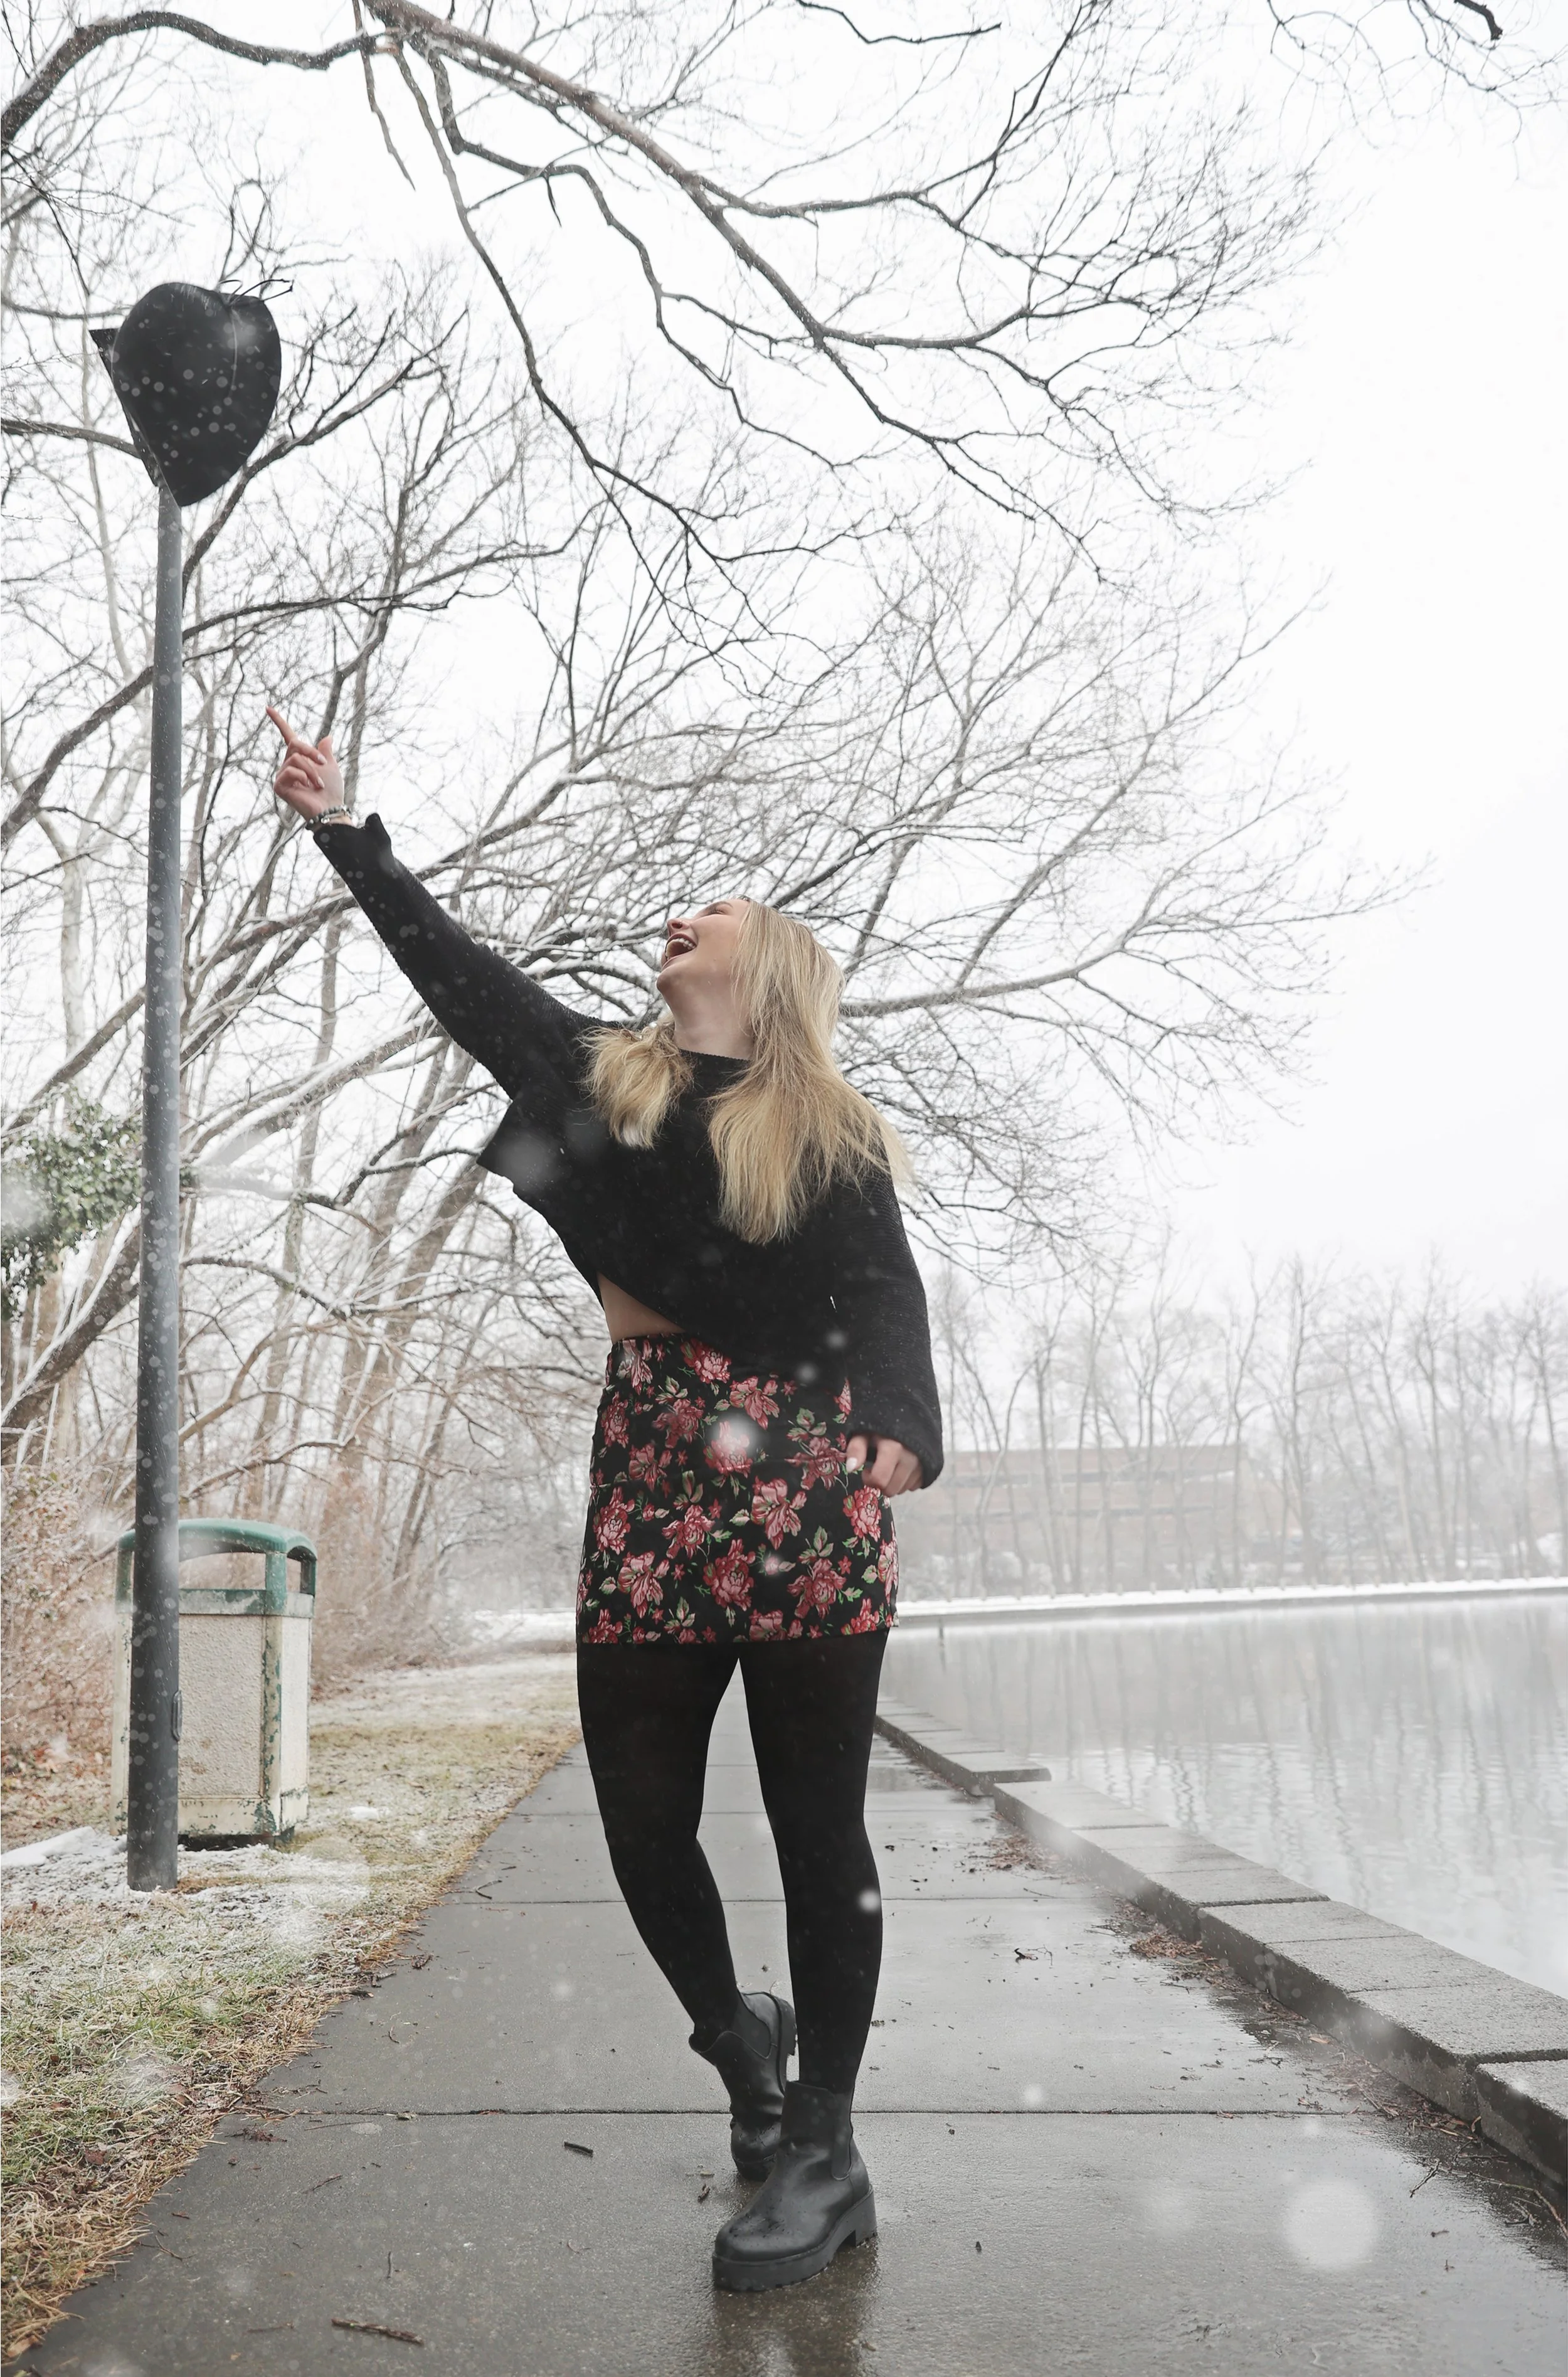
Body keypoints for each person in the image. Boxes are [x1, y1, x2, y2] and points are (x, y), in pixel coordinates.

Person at [268, 710, 943, 2292]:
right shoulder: (611, 1087)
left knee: (812, 1823)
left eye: (708, 908)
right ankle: (742, 2051)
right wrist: (349, 835)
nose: (678, 916)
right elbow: (465, 980)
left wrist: (904, 1428)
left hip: (803, 1483)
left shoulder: (827, 1133)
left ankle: (828, 2152)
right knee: (642, 1820)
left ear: (762, 962)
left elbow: (888, 1299)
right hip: (651, 1470)